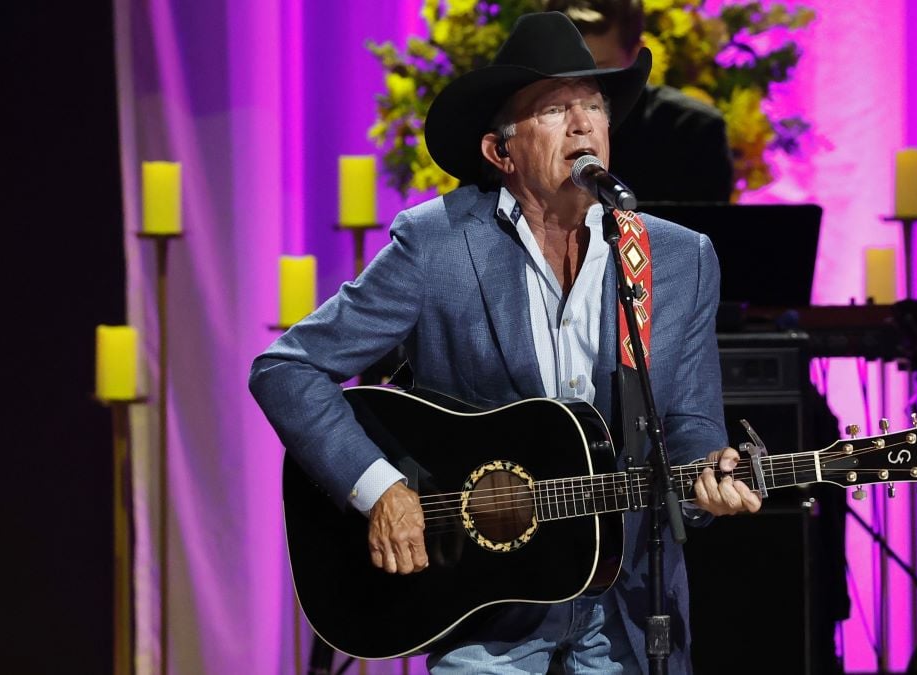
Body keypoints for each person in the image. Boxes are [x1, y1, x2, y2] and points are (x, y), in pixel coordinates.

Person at [249, 12, 759, 673]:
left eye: (593, 105)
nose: (583, 124)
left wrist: (708, 481)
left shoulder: (678, 257)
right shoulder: (436, 244)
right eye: (556, 108)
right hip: (485, 611)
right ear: (501, 152)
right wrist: (379, 488)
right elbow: (287, 369)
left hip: (629, 607)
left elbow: (690, 428)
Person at [542, 0, 735, 203]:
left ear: (637, 54)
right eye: (565, 68)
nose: (578, 86)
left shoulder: (694, 132)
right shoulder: (521, 130)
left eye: (597, 70)